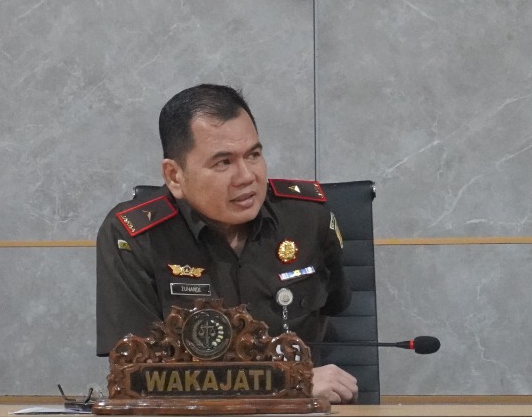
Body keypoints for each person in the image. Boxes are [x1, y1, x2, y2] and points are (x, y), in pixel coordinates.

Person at [96, 84, 358, 404]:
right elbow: (136, 377)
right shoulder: (137, 237)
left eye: (253, 155)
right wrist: (290, 383)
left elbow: (336, 308)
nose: (246, 176)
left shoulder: (307, 219)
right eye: (223, 163)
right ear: (175, 176)